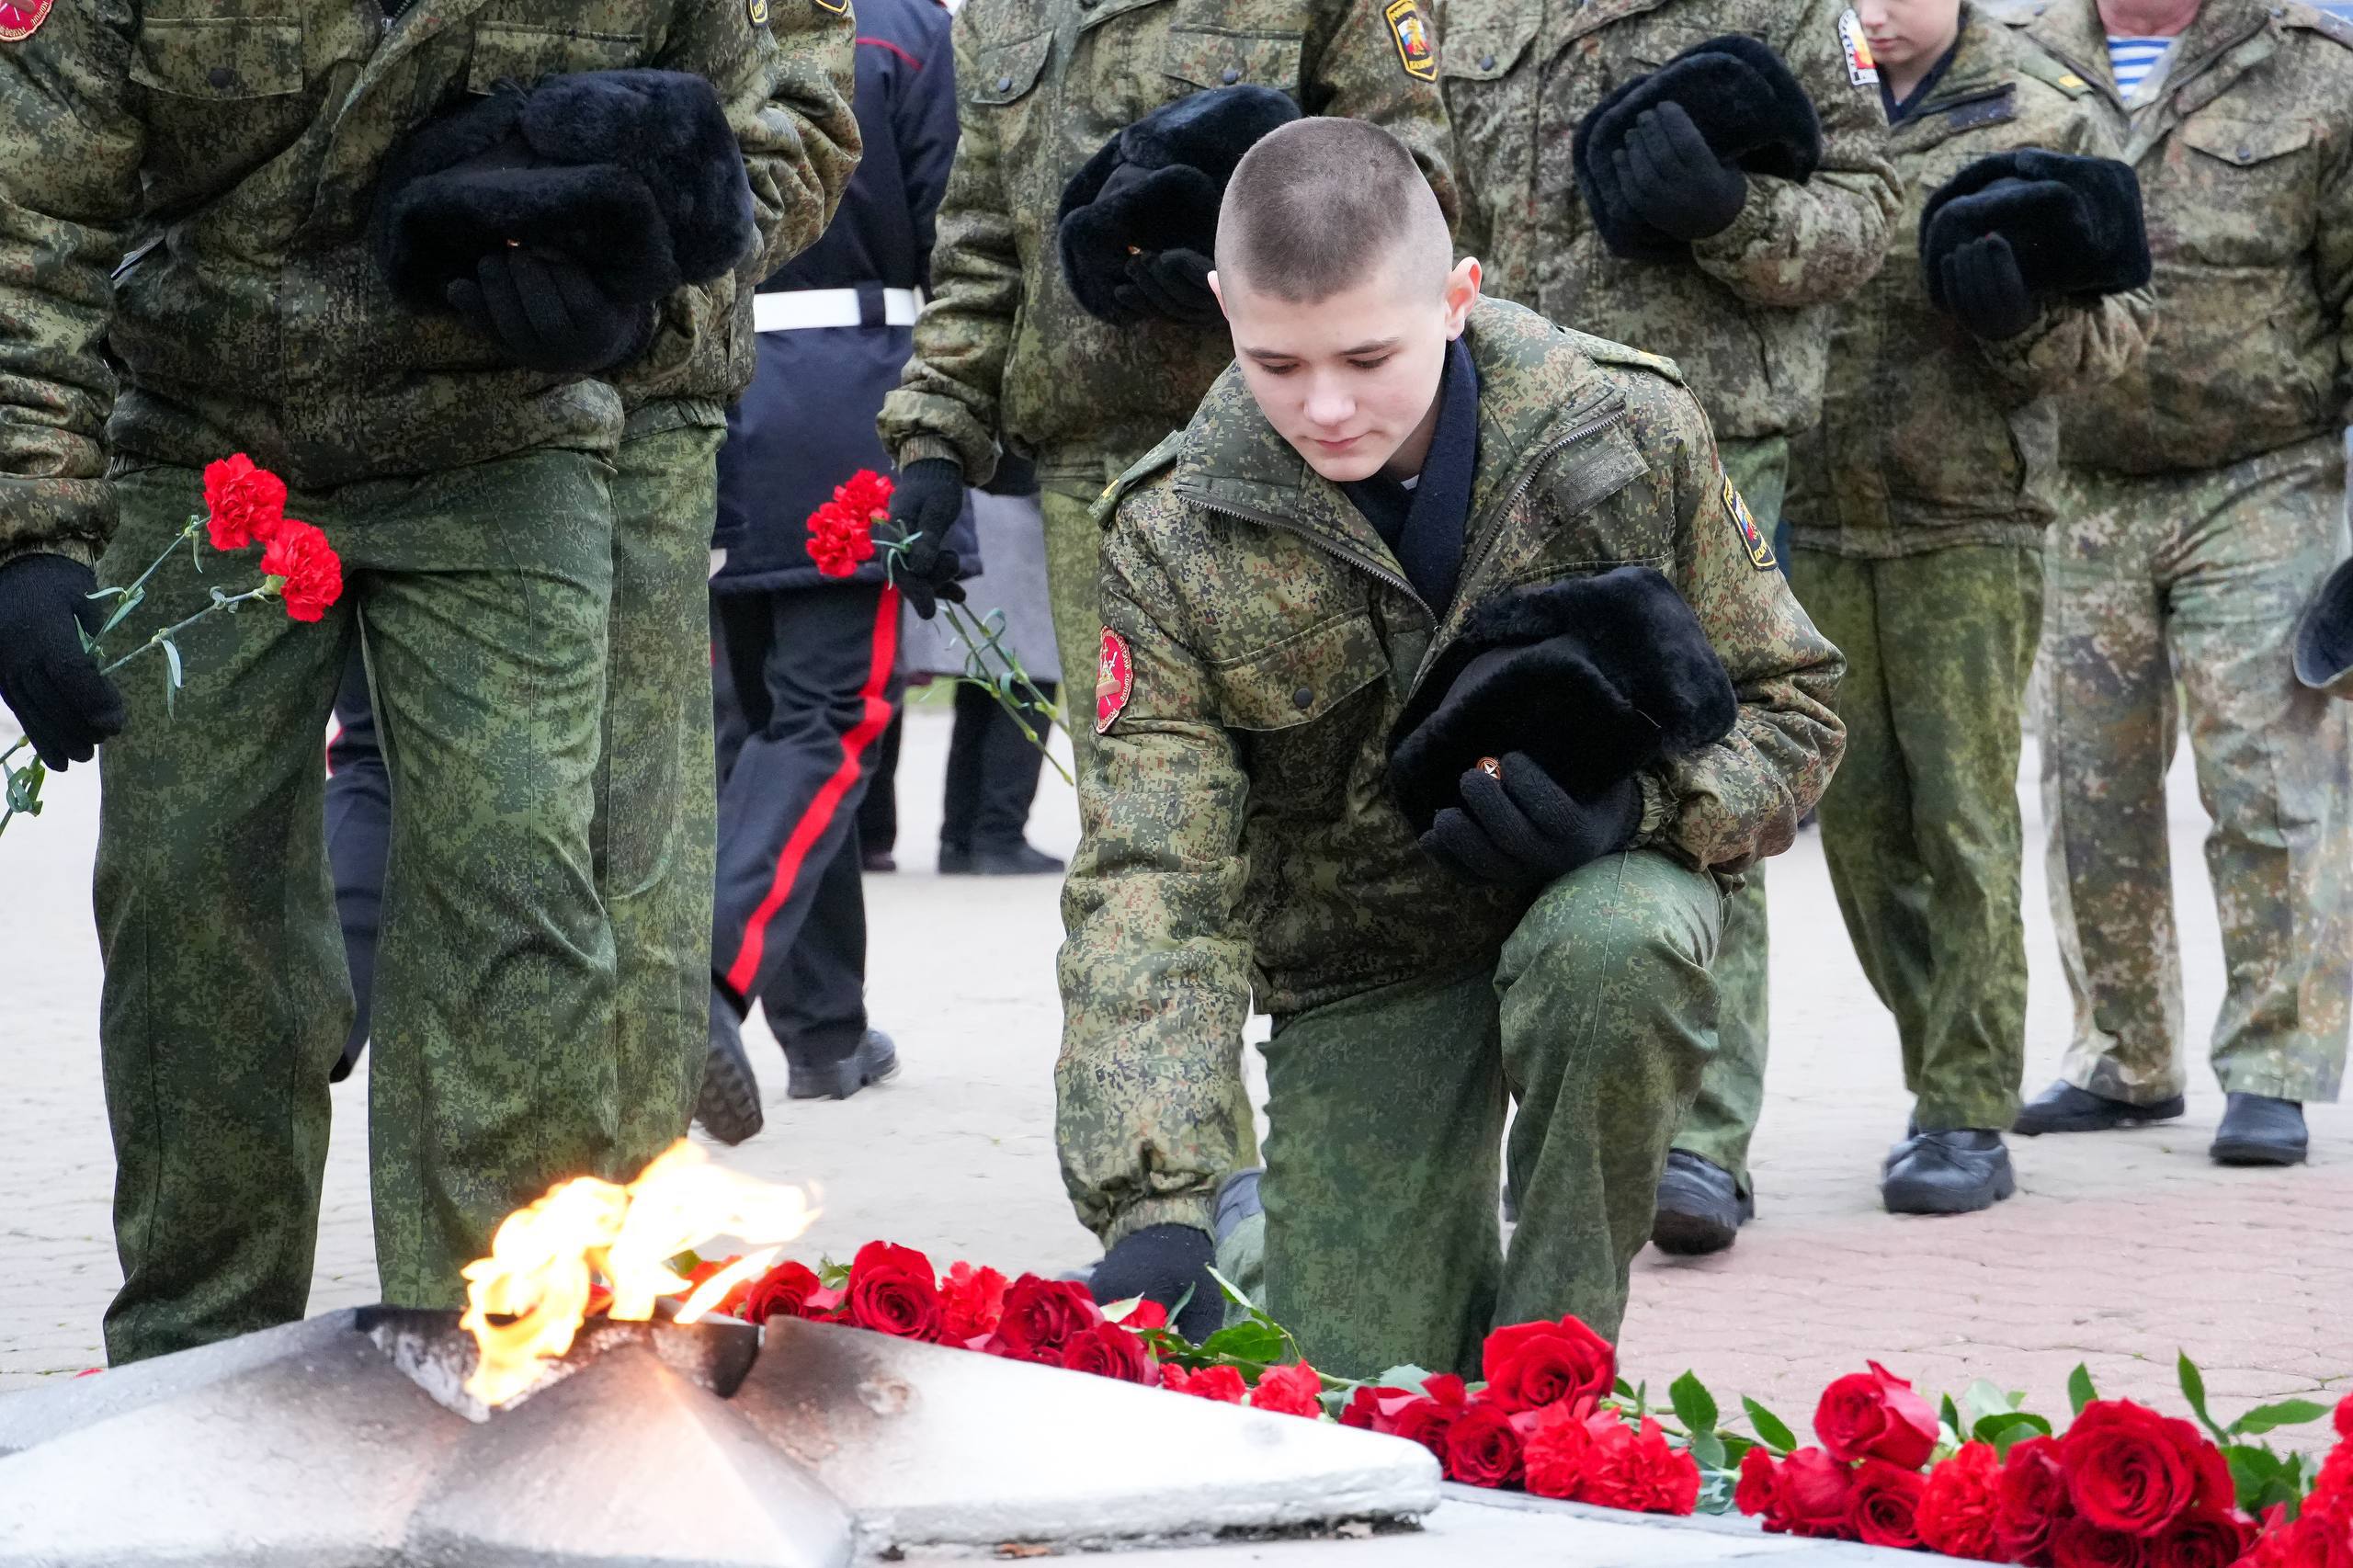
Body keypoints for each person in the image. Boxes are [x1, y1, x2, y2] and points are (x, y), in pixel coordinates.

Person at [0, 1, 858, 1363]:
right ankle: (199, 1358)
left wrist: (635, 286)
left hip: (511, 432)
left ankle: (497, 1350)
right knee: (189, 892)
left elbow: (765, 131)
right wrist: (29, 530)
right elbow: (29, 217)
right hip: (204, 425)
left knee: (519, 876)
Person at [1059, 119, 1845, 1375]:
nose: (1324, 406)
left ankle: (1552, 1374)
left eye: (1368, 356)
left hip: (1598, 898)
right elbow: (1153, 877)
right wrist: (1158, 1198)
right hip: (1362, 964)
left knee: (1619, 946)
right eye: (1275, 361)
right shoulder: (1173, 529)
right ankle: (1269, 1239)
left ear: (1457, 296)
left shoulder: (1619, 429)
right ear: (1222, 310)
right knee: (1358, 1379)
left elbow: (1792, 709)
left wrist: (1640, 813)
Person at [1434, 0, 1901, 1254]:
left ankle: (1700, 1132)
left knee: (1703, 753)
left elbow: (1865, 213)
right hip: (1499, 434)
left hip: (1701, 436)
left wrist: (1730, 215)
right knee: (1515, 758)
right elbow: (1422, 193)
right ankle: (1551, 1117)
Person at [874, 0, 1459, 770]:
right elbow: (980, 247)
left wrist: (1250, 261)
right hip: (1090, 481)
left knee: (1319, 792)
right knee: (1129, 788)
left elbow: (1409, 186)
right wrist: (934, 441)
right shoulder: (1000, 13)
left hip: (1290, 460)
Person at [1785, 0, 2155, 1213]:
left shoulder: (2045, 110)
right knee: (1859, 830)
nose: (1873, 13)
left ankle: (1964, 1105)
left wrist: (2021, 323)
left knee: (1960, 818)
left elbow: (2123, 325)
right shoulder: (1802, 97)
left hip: (1968, 519)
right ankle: (1942, 1054)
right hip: (1816, 512)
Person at [1999, 0, 2353, 1165]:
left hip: (2263, 471)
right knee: (2088, 781)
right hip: (2079, 478)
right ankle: (2123, 1057)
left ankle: (2272, 1066)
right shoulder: (2020, 59)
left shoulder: (2314, 68)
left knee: (2267, 771)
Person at [697, 0, 962, 1141]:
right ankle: (708, 980)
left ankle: (826, 1029)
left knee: (755, 722)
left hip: (712, 390)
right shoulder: (898, 24)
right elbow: (957, 229)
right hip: (848, 394)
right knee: (829, 719)